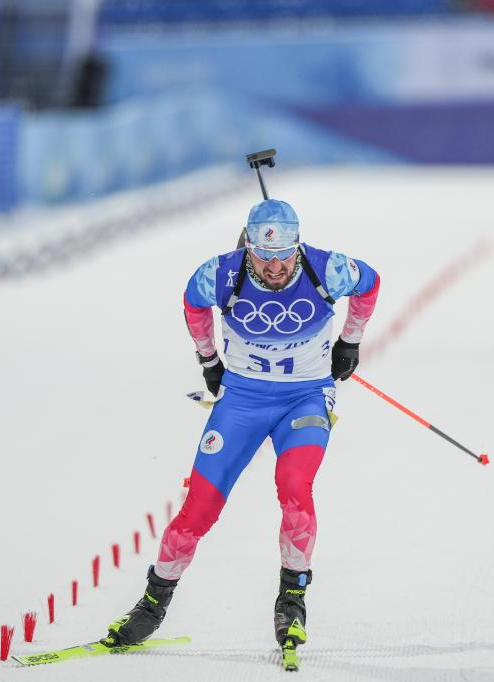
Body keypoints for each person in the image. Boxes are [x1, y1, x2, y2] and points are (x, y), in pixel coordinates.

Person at [102, 198, 380, 667]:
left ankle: (292, 600)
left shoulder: (326, 269)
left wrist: (349, 341)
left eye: (284, 255)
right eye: (263, 256)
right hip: (242, 403)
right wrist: (208, 359)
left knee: (295, 488)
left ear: (298, 245)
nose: (274, 267)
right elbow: (193, 301)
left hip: (304, 400)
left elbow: (369, 283)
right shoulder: (220, 273)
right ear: (247, 247)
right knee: (199, 508)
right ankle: (151, 605)